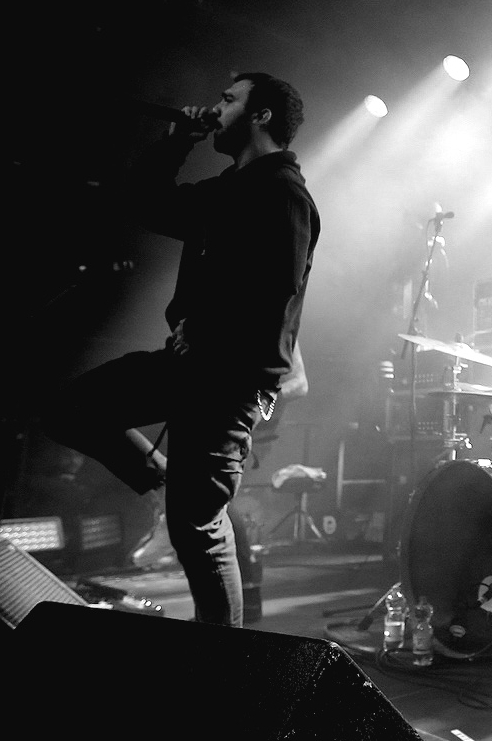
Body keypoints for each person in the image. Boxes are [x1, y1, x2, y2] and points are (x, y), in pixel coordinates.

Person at [46, 73, 320, 626]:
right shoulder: (225, 191)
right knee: (70, 408)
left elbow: (274, 295)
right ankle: (164, 478)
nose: (216, 107)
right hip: (189, 367)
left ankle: (222, 657)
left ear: (261, 115)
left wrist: (210, 330)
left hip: (229, 381)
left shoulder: (284, 194)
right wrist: (176, 142)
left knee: (196, 528)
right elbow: (143, 203)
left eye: (229, 99)